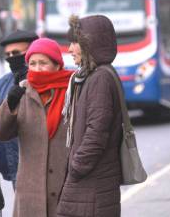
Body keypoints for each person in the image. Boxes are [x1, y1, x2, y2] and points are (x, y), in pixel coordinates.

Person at [0, 37, 74, 217]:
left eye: (43, 63)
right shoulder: (23, 92)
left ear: (57, 65)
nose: (37, 69)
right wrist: (10, 104)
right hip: (30, 194)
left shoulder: (73, 91)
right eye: (33, 63)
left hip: (66, 188)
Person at [56, 15, 123, 217]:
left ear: (90, 43)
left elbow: (97, 131)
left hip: (91, 183)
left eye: (74, 42)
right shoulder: (93, 76)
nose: (69, 49)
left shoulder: (100, 78)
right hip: (91, 182)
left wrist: (76, 166)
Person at [0, 29, 38, 189]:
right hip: (16, 171)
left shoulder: (43, 80)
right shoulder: (1, 85)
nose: (11, 58)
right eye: (7, 55)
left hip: (44, 168)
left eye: (15, 53)